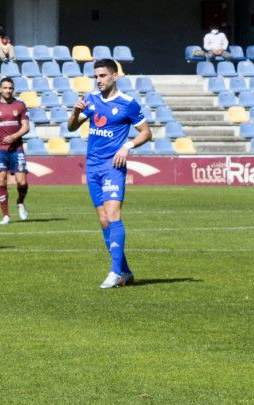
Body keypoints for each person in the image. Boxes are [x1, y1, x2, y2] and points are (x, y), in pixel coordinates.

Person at [66, 59, 151, 288]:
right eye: (96, 76)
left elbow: (146, 132)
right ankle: (126, 272)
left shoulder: (127, 104)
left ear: (115, 76)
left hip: (113, 167)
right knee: (104, 220)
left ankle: (114, 272)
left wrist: (127, 147)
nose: (99, 80)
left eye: (103, 75)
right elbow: (71, 127)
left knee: (113, 215)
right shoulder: (91, 100)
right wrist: (75, 113)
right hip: (92, 166)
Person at [0, 77, 30, 224]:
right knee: (1, 181)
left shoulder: (20, 105)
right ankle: (6, 215)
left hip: (16, 149)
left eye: (10, 88)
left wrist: (14, 136)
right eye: (5, 88)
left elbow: (26, 127)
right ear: (0, 89)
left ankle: (20, 202)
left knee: (22, 182)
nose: (8, 90)